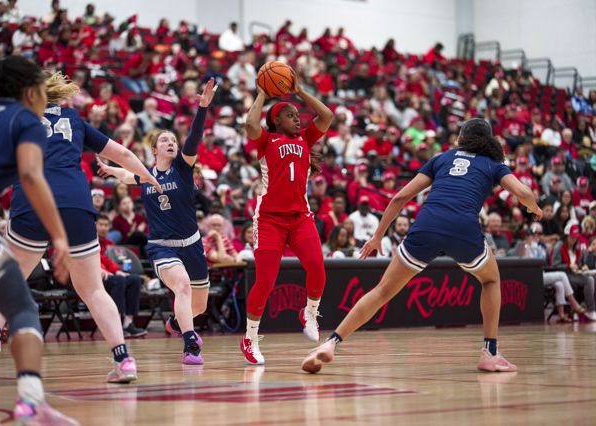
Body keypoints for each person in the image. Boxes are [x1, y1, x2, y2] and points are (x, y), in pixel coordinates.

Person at [302, 118, 542, 374]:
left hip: (427, 225)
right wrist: (534, 208)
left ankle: (331, 343)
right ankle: (490, 352)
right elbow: (524, 193)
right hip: (463, 229)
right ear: (489, 141)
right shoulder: (493, 164)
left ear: (462, 137)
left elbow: (400, 197)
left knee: (382, 291)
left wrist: (378, 236)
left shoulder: (441, 158)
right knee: (491, 280)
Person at [0, 72, 161, 386]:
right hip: (75, 202)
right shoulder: (74, 119)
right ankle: (123, 360)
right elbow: (122, 154)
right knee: (93, 290)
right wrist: (148, 177)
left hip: (32, 199)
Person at [0, 55, 77, 424]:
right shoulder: (27, 120)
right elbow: (30, 175)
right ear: (31, 92)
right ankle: (30, 403)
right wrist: (60, 237)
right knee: (22, 307)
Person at [97, 78, 218, 365]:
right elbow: (128, 176)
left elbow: (193, 138)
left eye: (173, 140)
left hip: (192, 245)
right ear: (154, 150)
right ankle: (190, 345)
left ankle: (177, 323)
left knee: (199, 306)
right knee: (183, 286)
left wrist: (202, 107)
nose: (171, 143)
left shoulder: (183, 168)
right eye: (165, 140)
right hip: (163, 247)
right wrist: (111, 170)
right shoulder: (146, 174)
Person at [240, 73, 334, 365]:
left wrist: (300, 91)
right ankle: (250, 338)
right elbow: (250, 124)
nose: (297, 118)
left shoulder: (305, 137)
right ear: (276, 120)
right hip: (269, 219)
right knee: (266, 280)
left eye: (297, 115)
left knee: (317, 266)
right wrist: (262, 93)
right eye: (290, 115)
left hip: (300, 218)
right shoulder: (266, 140)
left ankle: (309, 313)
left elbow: (327, 116)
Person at [96, 214, 147, 337]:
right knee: (119, 280)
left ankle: (128, 323)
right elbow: (95, 259)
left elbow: (111, 262)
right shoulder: (92, 242)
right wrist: (100, 269)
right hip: (96, 278)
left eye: (106, 225)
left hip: (111, 276)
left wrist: (118, 270)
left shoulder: (111, 244)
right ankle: (116, 324)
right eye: (101, 225)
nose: (103, 228)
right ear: (95, 226)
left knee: (134, 279)